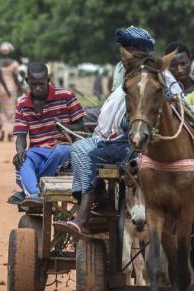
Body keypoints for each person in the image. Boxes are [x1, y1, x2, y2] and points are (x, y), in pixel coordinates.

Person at [62, 27, 172, 235]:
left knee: (95, 155)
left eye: (133, 53)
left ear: (145, 53)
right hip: (113, 137)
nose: (128, 57)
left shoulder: (158, 74)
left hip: (138, 141)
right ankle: (99, 200)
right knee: (77, 148)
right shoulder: (122, 71)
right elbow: (115, 103)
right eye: (125, 52)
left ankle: (84, 215)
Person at [10, 62, 85, 205]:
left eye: (41, 84)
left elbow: (82, 126)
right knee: (23, 159)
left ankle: (31, 187)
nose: (37, 88)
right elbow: (20, 136)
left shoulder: (66, 96)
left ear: (48, 81)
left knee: (60, 151)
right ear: (27, 82)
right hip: (38, 151)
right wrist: (20, 151)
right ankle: (35, 194)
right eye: (33, 84)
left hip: (64, 146)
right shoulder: (22, 104)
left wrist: (65, 127)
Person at [0, 42, 22, 141]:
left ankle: (3, 129)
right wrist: (19, 88)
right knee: (12, 111)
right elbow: (15, 77)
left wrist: (5, 88)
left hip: (1, 88)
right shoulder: (14, 63)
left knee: (3, 110)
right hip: (12, 88)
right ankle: (11, 132)